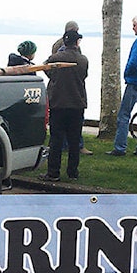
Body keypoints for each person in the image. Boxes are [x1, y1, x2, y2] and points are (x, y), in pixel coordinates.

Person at [41, 29, 89, 181]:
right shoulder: (83, 60)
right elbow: (84, 75)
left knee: (56, 140)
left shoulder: (55, 58)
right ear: (77, 42)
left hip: (58, 103)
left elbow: (47, 71)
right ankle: (73, 172)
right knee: (74, 140)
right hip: (77, 103)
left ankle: (53, 172)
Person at [108, 15, 137, 157]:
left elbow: (134, 61)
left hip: (136, 81)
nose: (133, 28)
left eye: (134, 25)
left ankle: (120, 147)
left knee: (124, 115)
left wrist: (127, 73)